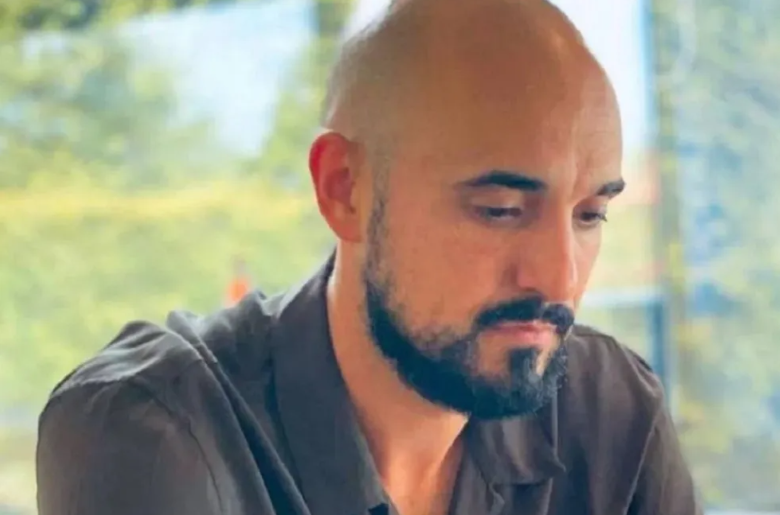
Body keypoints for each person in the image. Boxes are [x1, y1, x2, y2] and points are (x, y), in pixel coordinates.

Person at [35, 0, 703, 514]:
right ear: (344, 188)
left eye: (590, 215)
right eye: (500, 209)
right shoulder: (158, 433)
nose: (559, 278)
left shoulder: (610, 411)